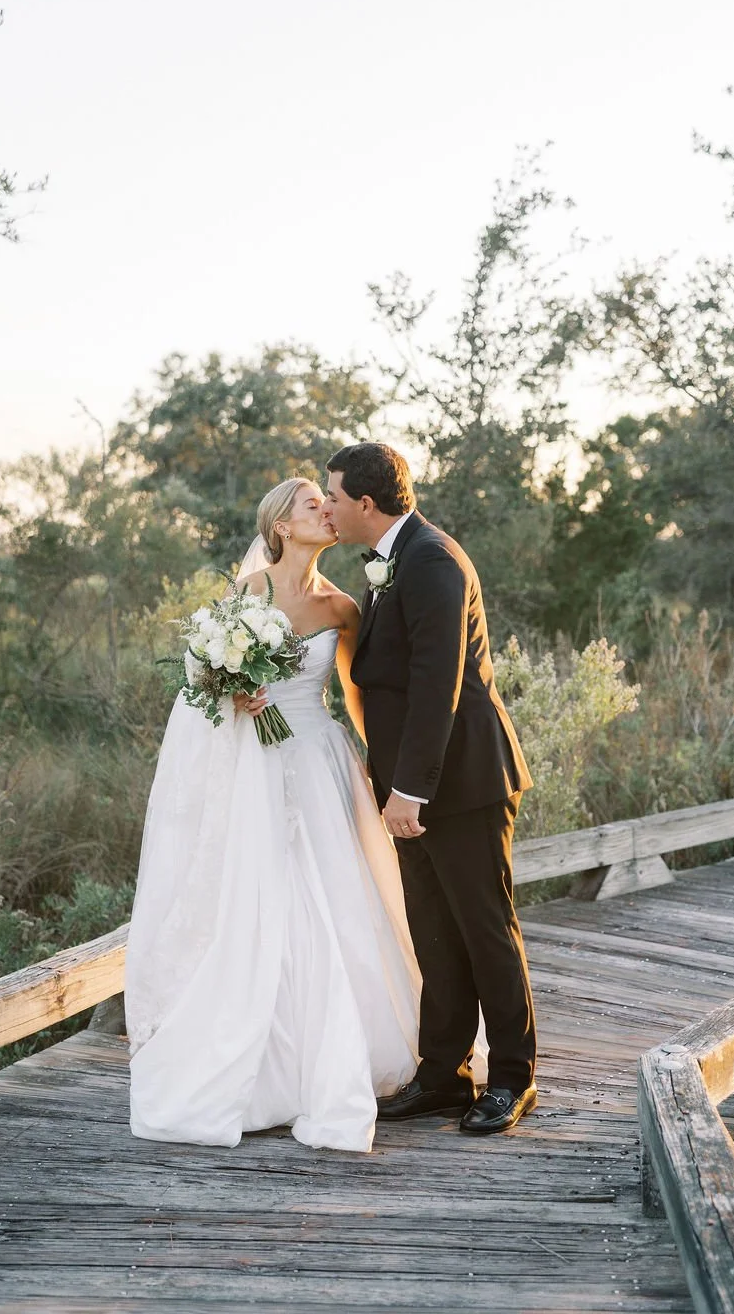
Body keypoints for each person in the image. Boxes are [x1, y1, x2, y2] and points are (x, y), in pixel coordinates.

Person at [124, 477, 420, 1153]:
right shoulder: (243, 603)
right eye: (313, 503)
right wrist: (237, 693)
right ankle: (257, 1063)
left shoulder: (345, 606)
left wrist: (388, 772)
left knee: (335, 897)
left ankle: (336, 1051)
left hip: (320, 759)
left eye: (329, 502)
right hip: (255, 769)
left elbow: (356, 695)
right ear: (282, 524)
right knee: (261, 899)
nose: (328, 510)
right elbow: (200, 692)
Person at [323, 442, 537, 1135]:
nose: (326, 505)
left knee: (486, 930)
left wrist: (410, 789)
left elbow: (439, 684)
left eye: (333, 494)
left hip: (463, 783)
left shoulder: (432, 559)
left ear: (364, 502)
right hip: (412, 788)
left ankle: (511, 1080)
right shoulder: (393, 561)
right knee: (434, 934)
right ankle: (444, 1076)